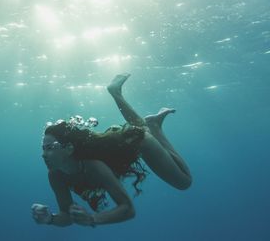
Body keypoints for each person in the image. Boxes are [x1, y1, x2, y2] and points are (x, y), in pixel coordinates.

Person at [31, 73, 192, 227]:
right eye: (43, 148)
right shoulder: (55, 175)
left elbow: (128, 209)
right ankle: (135, 110)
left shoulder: (92, 166)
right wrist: (49, 219)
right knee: (139, 128)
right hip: (120, 143)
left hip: (139, 142)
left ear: (69, 149)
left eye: (50, 148)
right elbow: (66, 216)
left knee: (184, 182)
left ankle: (151, 124)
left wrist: (92, 219)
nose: (43, 154)